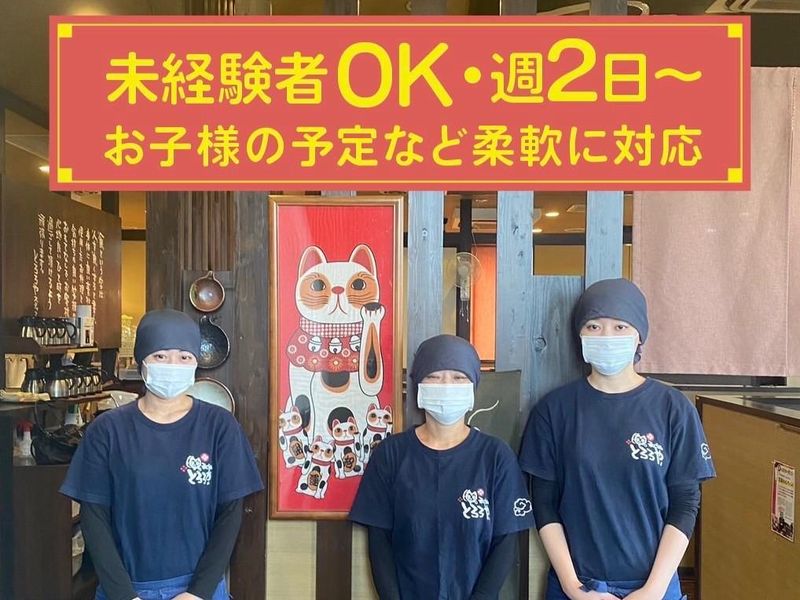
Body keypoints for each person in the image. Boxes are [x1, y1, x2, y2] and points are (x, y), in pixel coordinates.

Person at [519, 278, 716, 600]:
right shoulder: (554, 410)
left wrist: (653, 590)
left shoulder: (673, 408)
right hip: (578, 585)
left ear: (640, 335)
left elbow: (685, 503)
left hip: (655, 586)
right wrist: (573, 587)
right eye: (593, 326)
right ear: (580, 335)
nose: (606, 336)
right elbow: (544, 504)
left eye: (620, 326)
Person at [61, 309, 264, 600]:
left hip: (200, 589)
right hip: (126, 588)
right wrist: (124, 595)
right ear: (142, 361)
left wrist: (198, 592)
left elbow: (230, 514)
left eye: (184, 357)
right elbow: (94, 517)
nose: (172, 365)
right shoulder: (107, 430)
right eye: (160, 356)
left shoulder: (219, 426)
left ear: (196, 363)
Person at [349, 334, 534, 600]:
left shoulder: (495, 456)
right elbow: (379, 542)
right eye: (434, 377)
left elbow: (505, 541)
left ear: (473, 387)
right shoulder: (391, 454)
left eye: (458, 378)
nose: (447, 386)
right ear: (418, 387)